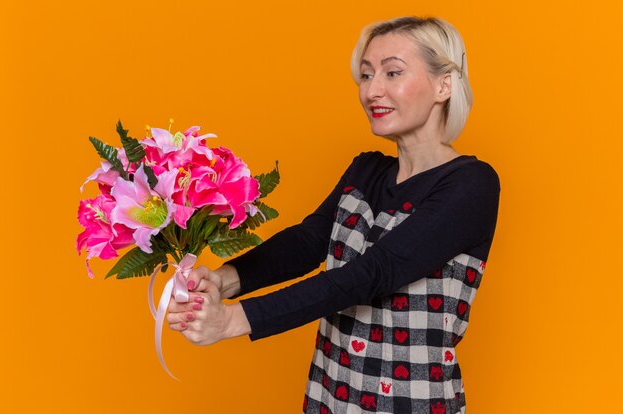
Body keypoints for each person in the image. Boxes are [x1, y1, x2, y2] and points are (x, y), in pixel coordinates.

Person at [166, 16, 500, 414]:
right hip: (331, 395)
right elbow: (307, 242)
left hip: (412, 403)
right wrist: (224, 280)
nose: (372, 90)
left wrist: (235, 320)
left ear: (443, 84)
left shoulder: (471, 185)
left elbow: (373, 273)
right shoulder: (365, 170)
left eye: (393, 72)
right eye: (365, 74)